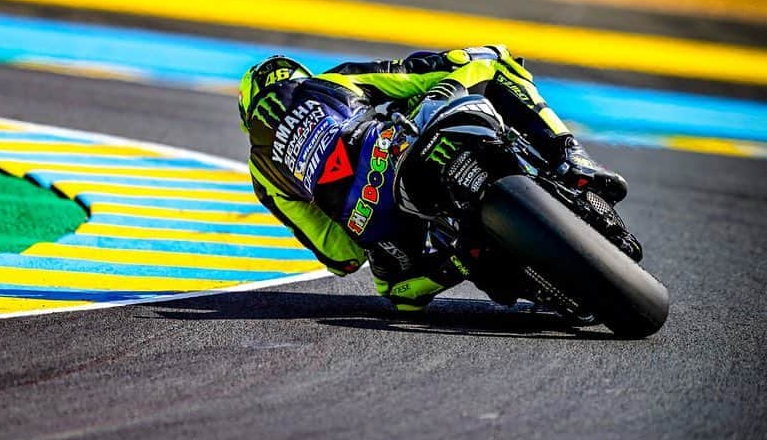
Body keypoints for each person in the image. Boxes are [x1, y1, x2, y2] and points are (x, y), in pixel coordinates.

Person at [238, 45, 627, 311]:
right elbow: (415, 79)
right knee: (495, 59)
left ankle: (460, 260)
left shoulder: (262, 173)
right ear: (294, 74)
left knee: (398, 294)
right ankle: (570, 157)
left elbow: (341, 258)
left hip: (372, 217)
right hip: (395, 145)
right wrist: (443, 77)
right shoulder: (330, 81)